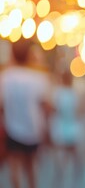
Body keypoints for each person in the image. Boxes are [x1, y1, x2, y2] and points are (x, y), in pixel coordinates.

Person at [0, 39, 52, 188]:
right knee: (31, 167)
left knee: (14, 167)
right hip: (33, 128)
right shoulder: (38, 78)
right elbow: (45, 106)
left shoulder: (5, 77)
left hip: (12, 128)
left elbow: (2, 106)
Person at [49, 71, 82, 187]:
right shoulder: (74, 94)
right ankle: (75, 179)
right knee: (74, 156)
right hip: (72, 127)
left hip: (59, 128)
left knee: (59, 157)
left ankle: (59, 178)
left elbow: (53, 109)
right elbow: (79, 112)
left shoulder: (58, 93)